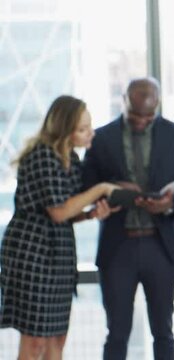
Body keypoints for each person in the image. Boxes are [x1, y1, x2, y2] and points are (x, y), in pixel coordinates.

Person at [82, 77, 174, 360]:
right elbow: (85, 187)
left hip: (161, 246)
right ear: (123, 100)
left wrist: (170, 205)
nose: (142, 122)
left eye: (149, 116)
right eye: (135, 115)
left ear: (157, 105)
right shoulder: (100, 138)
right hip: (117, 245)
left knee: (164, 331)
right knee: (117, 333)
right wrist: (113, 192)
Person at [0, 95, 118, 359]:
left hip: (59, 253)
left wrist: (90, 215)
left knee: (57, 337)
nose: (91, 133)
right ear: (64, 129)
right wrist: (100, 189)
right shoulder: (43, 155)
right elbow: (58, 211)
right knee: (35, 340)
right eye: (83, 129)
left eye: (90, 126)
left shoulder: (71, 160)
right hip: (33, 253)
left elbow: (68, 212)